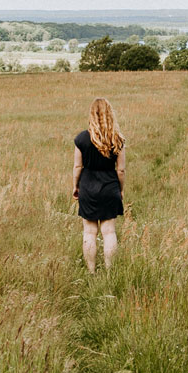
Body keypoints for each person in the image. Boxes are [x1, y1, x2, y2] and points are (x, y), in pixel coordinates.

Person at [72, 97, 125, 272]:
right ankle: (110, 272)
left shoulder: (82, 138)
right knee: (109, 232)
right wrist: (120, 189)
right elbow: (121, 170)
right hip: (110, 187)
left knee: (89, 232)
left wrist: (76, 186)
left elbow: (78, 166)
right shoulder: (117, 139)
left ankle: (91, 271)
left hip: (88, 186)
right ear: (110, 114)